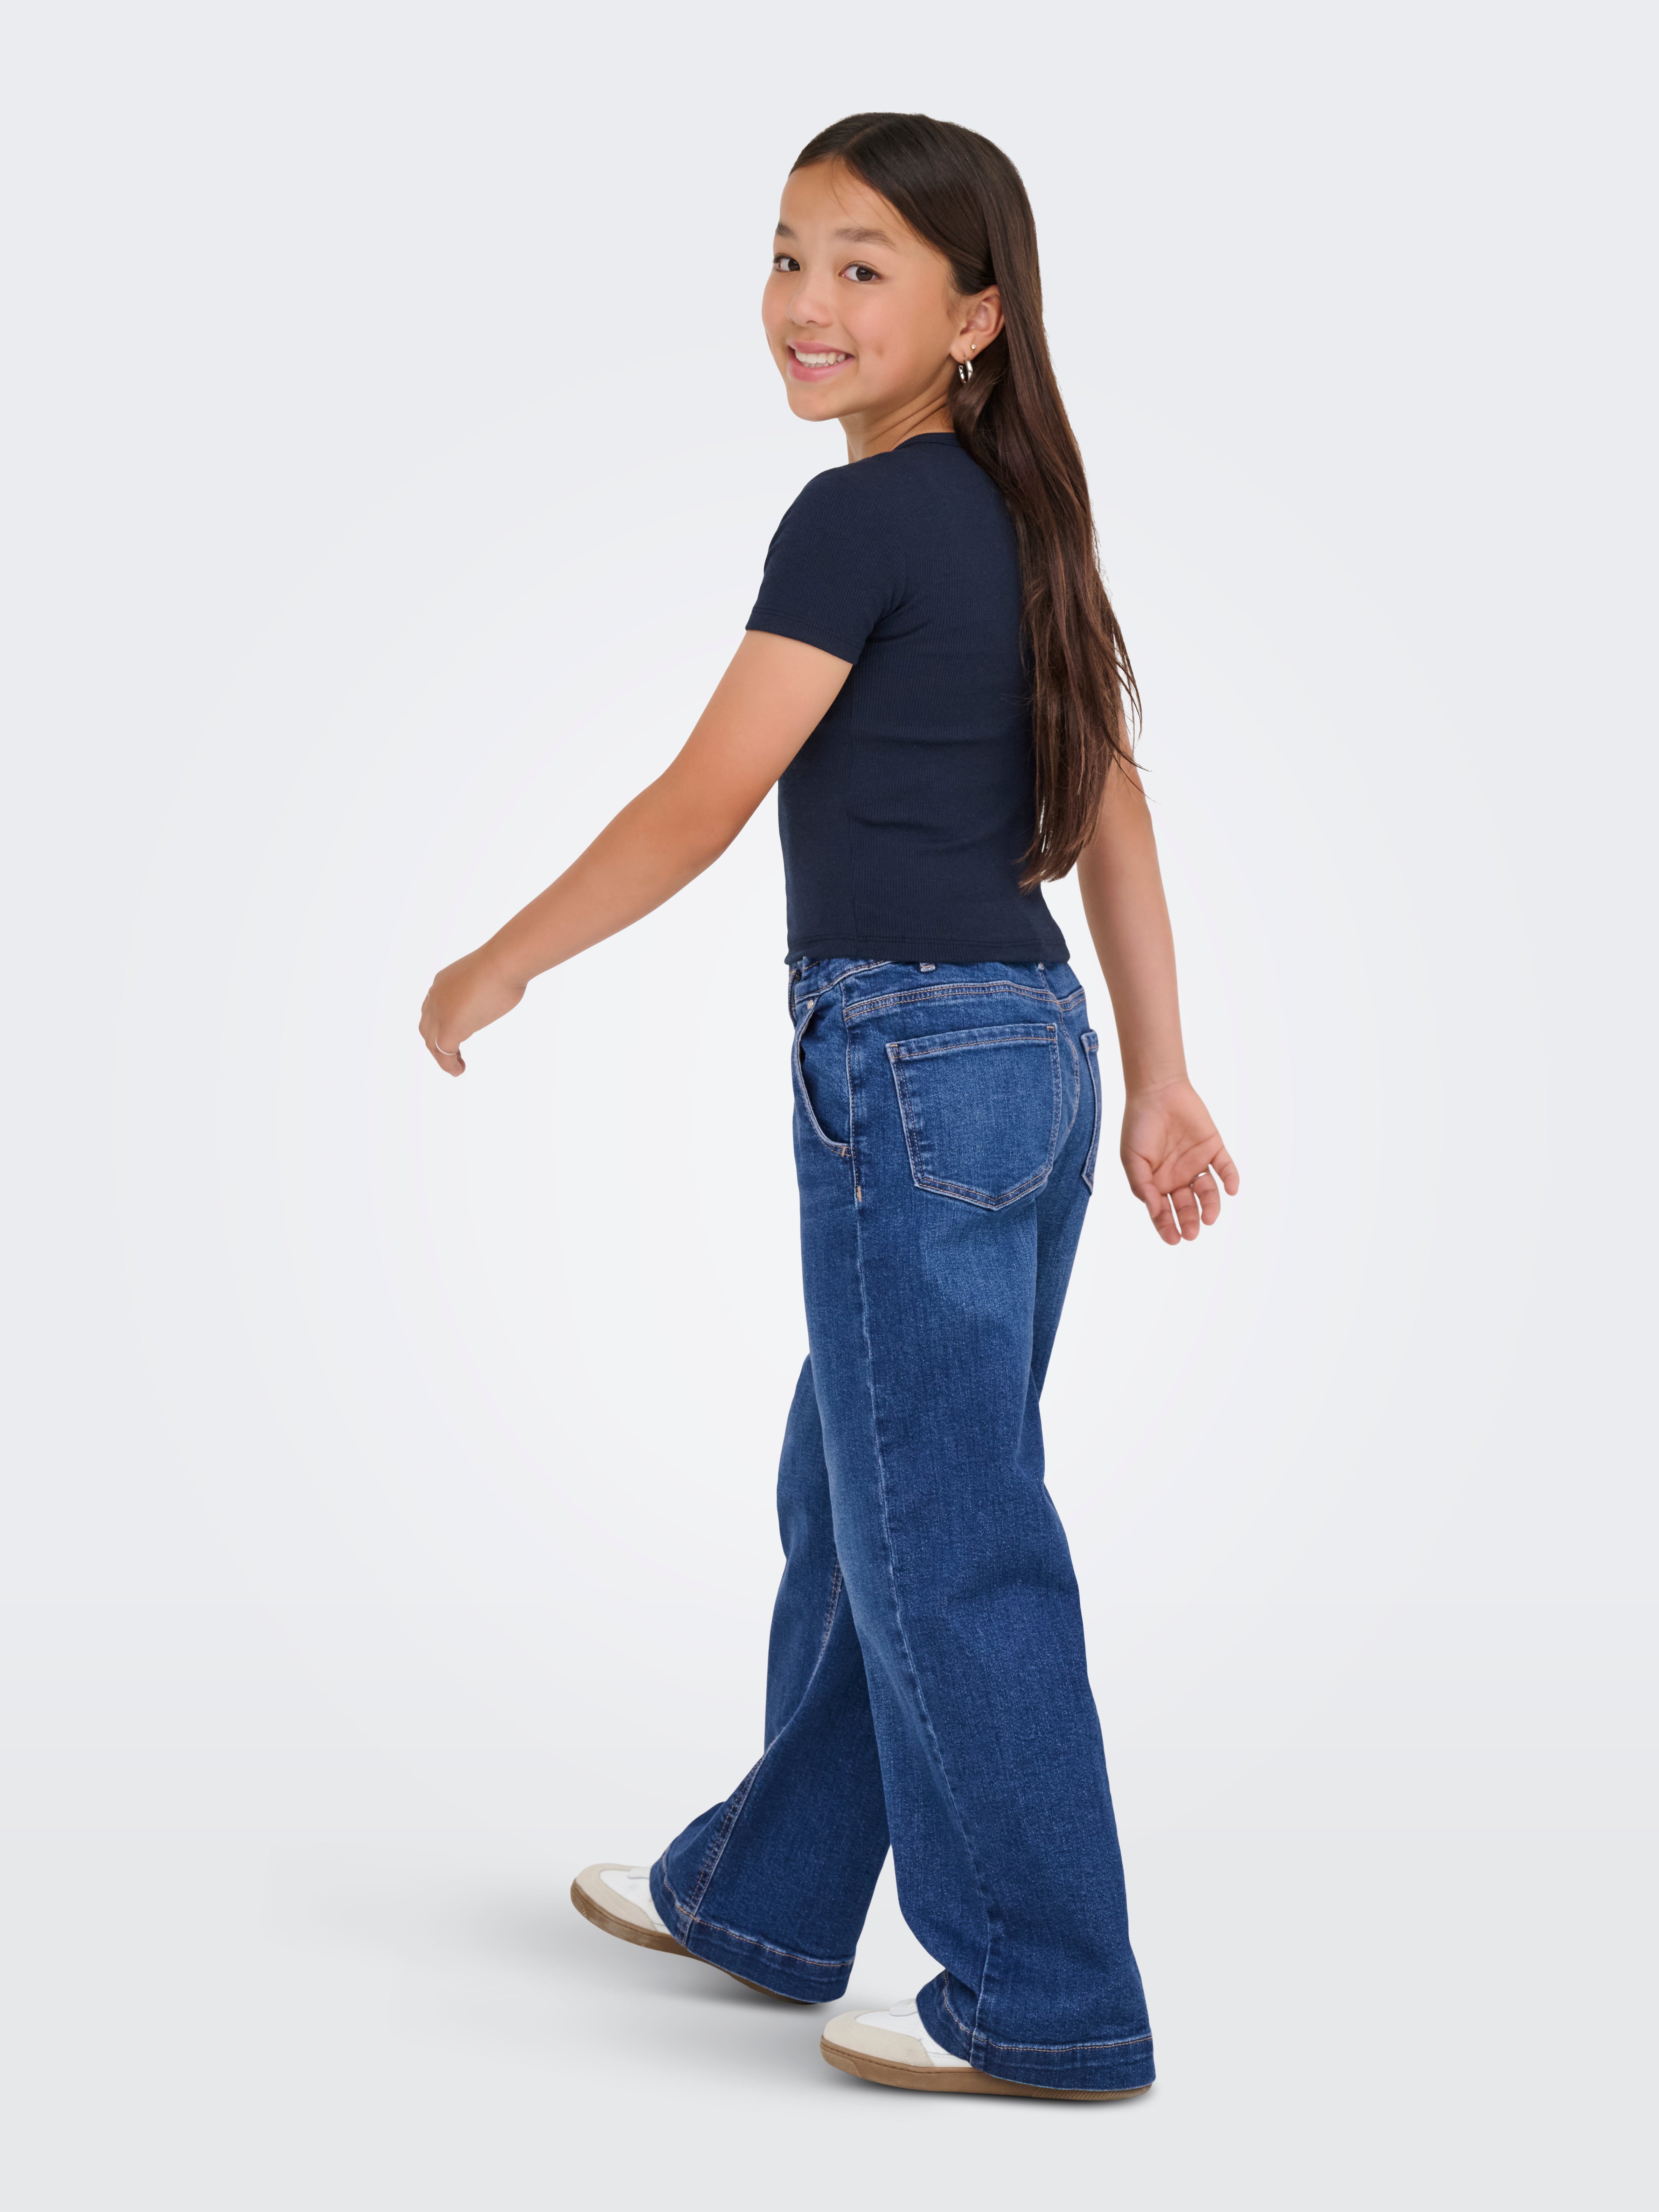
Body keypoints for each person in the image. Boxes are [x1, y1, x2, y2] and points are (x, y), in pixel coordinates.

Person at [419, 111, 1237, 2102]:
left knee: (942, 1533)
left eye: (864, 266)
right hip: (1030, 1059)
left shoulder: (858, 522)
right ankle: (768, 1895)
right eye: (788, 253)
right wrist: (1156, 1076)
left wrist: (500, 960)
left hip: (915, 1055)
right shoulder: (1015, 520)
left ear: (974, 317)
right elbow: (1116, 820)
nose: (806, 300)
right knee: (865, 1492)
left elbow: (706, 799)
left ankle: (1049, 1998)